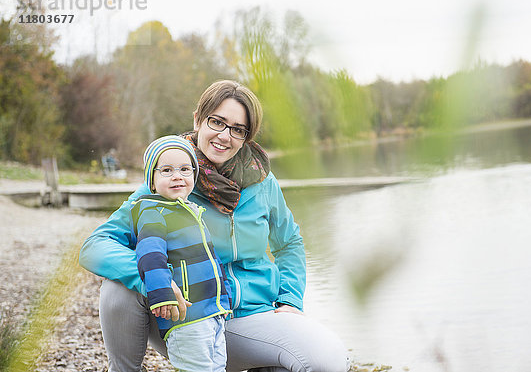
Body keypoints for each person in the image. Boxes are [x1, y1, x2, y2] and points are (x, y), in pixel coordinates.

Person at [79, 80, 348, 372]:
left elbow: (289, 243)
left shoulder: (263, 182)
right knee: (117, 287)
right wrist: (153, 280)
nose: (224, 136)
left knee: (327, 361)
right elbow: (95, 246)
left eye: (237, 129)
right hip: (188, 319)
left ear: (247, 136)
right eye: (217, 122)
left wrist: (290, 300)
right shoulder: (171, 179)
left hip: (253, 319)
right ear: (198, 119)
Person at [133, 135, 232, 371]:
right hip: (186, 316)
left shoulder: (194, 212)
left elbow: (212, 260)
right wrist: (162, 294)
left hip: (213, 313)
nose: (177, 175)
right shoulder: (153, 213)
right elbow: (150, 256)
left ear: (194, 177)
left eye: (185, 169)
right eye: (167, 170)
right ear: (153, 182)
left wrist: (224, 299)